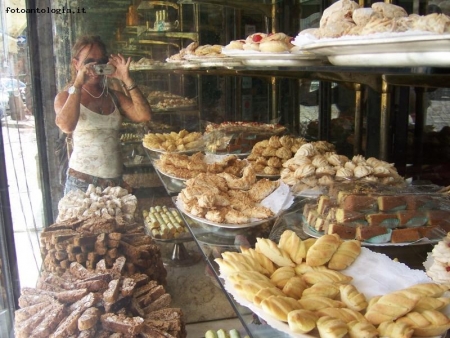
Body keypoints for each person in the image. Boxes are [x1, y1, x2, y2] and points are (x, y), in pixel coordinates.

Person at [54, 35, 151, 195]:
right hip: (81, 183)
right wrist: (78, 83)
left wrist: (126, 79)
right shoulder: (65, 97)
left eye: (101, 62)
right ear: (76, 64)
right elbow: (66, 126)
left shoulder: (113, 96)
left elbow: (144, 115)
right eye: (89, 62)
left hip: (114, 183)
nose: (96, 68)